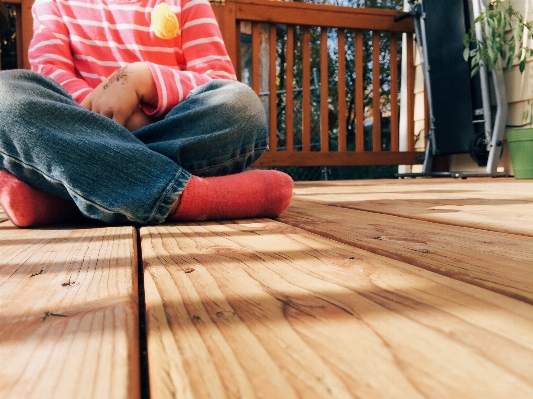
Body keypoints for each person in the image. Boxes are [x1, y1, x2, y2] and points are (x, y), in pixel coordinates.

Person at [0, 0, 293, 227]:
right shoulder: (54, 3)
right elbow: (50, 74)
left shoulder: (187, 3)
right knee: (4, 95)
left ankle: (62, 198)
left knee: (241, 106)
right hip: (83, 127)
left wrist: (143, 79)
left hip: (158, 132)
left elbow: (218, 79)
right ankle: (198, 197)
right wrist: (107, 117)